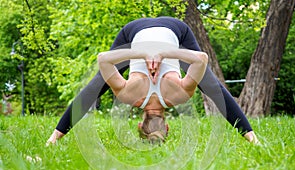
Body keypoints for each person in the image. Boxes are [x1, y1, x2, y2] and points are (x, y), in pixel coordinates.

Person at [47, 16, 259, 145]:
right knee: (95, 87)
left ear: (167, 128)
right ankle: (53, 139)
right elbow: (103, 59)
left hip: (164, 30)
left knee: (213, 88)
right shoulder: (129, 95)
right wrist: (155, 53)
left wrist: (146, 53)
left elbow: (200, 60)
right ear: (139, 124)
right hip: (141, 30)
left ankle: (253, 140)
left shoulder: (179, 95)